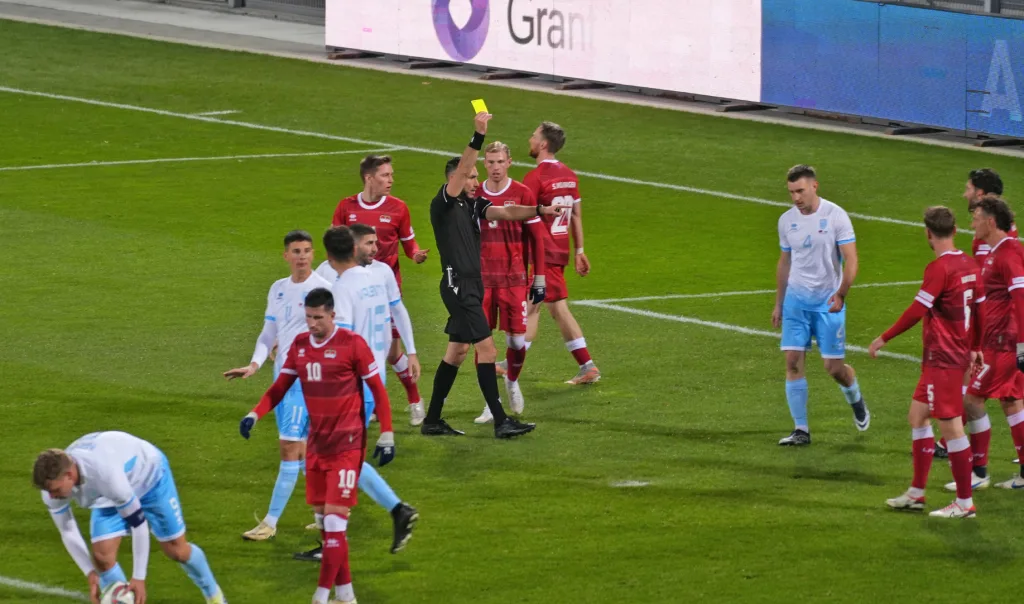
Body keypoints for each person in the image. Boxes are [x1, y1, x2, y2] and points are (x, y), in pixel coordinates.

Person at [239, 287, 395, 604]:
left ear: (332, 315)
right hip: (317, 446)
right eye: (308, 317)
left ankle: (321, 597)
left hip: (348, 443)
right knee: (327, 527)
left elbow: (377, 390)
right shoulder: (299, 346)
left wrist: (387, 432)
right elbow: (279, 388)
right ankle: (346, 596)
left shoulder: (353, 345)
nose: (312, 324)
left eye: (318, 318)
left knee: (336, 523)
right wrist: (255, 413)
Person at [421, 111, 561, 438]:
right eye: (469, 176)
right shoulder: (443, 202)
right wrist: (477, 136)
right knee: (488, 350)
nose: (475, 181)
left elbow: (508, 211)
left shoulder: (473, 204)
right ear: (455, 179)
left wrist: (540, 210)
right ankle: (501, 421)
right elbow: (463, 173)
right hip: (459, 288)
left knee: (456, 352)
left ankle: (432, 420)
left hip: (471, 285)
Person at [305, 225, 419, 559]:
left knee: (325, 458)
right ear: (354, 249)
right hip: (374, 376)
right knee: (343, 459)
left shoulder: (342, 288)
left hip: (350, 383)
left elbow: (345, 341)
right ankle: (390, 513)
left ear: (329, 255)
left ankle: (339, 537)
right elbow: (387, 322)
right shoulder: (375, 277)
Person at [868, 206, 981, 518]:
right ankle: (917, 493)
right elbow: (980, 310)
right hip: (948, 357)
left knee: (953, 428)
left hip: (944, 358)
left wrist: (884, 337)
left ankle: (964, 502)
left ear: (928, 234)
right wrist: (975, 348)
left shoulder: (939, 269)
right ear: (955, 230)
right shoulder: (970, 264)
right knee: (917, 416)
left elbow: (917, 311)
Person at [222, 230, 332, 542]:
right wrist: (255, 363)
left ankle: (269, 523)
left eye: (307, 251)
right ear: (286, 255)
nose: (302, 257)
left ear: (313, 254)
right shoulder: (279, 289)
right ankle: (325, 517)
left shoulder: (323, 288)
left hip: (305, 379)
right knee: (308, 450)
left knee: (289, 449)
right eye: (296, 251)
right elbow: (269, 332)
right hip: (282, 376)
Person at [34, 432, 225, 604]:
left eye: (56, 490)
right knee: (101, 557)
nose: (52, 496)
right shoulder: (52, 488)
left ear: (69, 475)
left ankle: (214, 596)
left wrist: (138, 577)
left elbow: (138, 524)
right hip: (109, 495)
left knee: (177, 551)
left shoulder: (104, 474)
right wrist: (91, 573)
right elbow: (67, 531)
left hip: (149, 479)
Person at [772, 165, 870, 446]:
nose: (795, 198)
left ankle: (855, 397)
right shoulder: (786, 220)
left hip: (829, 303)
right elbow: (785, 262)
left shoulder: (836, 216)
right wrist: (779, 302)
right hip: (796, 302)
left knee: (833, 368)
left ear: (815, 186)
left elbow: (851, 260)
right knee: (792, 362)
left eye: (800, 191)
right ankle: (801, 430)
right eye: (791, 192)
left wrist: (842, 293)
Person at [332, 155, 429, 424]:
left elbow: (408, 241)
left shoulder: (398, 208)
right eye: (385, 175)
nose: (391, 180)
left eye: (391, 175)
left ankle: (414, 399)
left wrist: (416, 255)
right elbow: (335, 244)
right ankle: (369, 404)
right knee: (356, 348)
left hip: (386, 288)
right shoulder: (346, 207)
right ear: (369, 178)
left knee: (390, 352)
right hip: (353, 289)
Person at [506, 121, 600, 385]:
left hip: (542, 253)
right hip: (558, 251)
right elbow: (576, 215)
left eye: (534, 136)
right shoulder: (569, 175)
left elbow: (523, 216)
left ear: (543, 144)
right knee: (557, 309)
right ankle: (587, 366)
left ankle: (512, 364)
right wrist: (579, 250)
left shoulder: (535, 178)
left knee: (531, 307)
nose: (530, 139)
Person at [472, 141, 547, 424]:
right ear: (484, 164)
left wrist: (539, 278)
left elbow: (537, 238)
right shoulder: (475, 192)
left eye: (500, 162)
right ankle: (491, 404)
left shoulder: (522, 193)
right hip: (482, 282)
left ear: (509, 162)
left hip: (514, 280)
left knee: (516, 341)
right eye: (490, 162)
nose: (495, 168)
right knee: (483, 345)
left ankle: (512, 380)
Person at [960, 195, 1024, 489]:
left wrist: (1022, 345)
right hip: (997, 340)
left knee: (972, 399)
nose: (971, 223)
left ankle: (979, 472)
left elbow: (1021, 298)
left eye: (975, 218)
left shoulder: (1008, 253)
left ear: (990, 221)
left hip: (1003, 343)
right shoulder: (997, 251)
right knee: (1011, 402)